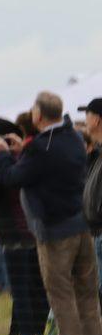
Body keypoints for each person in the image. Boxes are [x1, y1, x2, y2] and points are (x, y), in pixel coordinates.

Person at [0, 91, 102, 335]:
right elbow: (45, 165)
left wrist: (3, 154)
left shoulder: (41, 147)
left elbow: (12, 178)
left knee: (60, 291)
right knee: (87, 291)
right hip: (81, 225)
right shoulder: (74, 139)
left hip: (54, 230)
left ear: (37, 115)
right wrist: (25, 150)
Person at [0, 118, 47, 335]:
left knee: (19, 289)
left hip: (12, 232)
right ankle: (36, 333)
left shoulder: (1, 164)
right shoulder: (28, 159)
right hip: (34, 230)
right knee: (36, 287)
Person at [79, 98, 102, 294]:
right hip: (95, 231)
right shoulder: (97, 153)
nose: (84, 119)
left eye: (87, 114)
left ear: (97, 120)